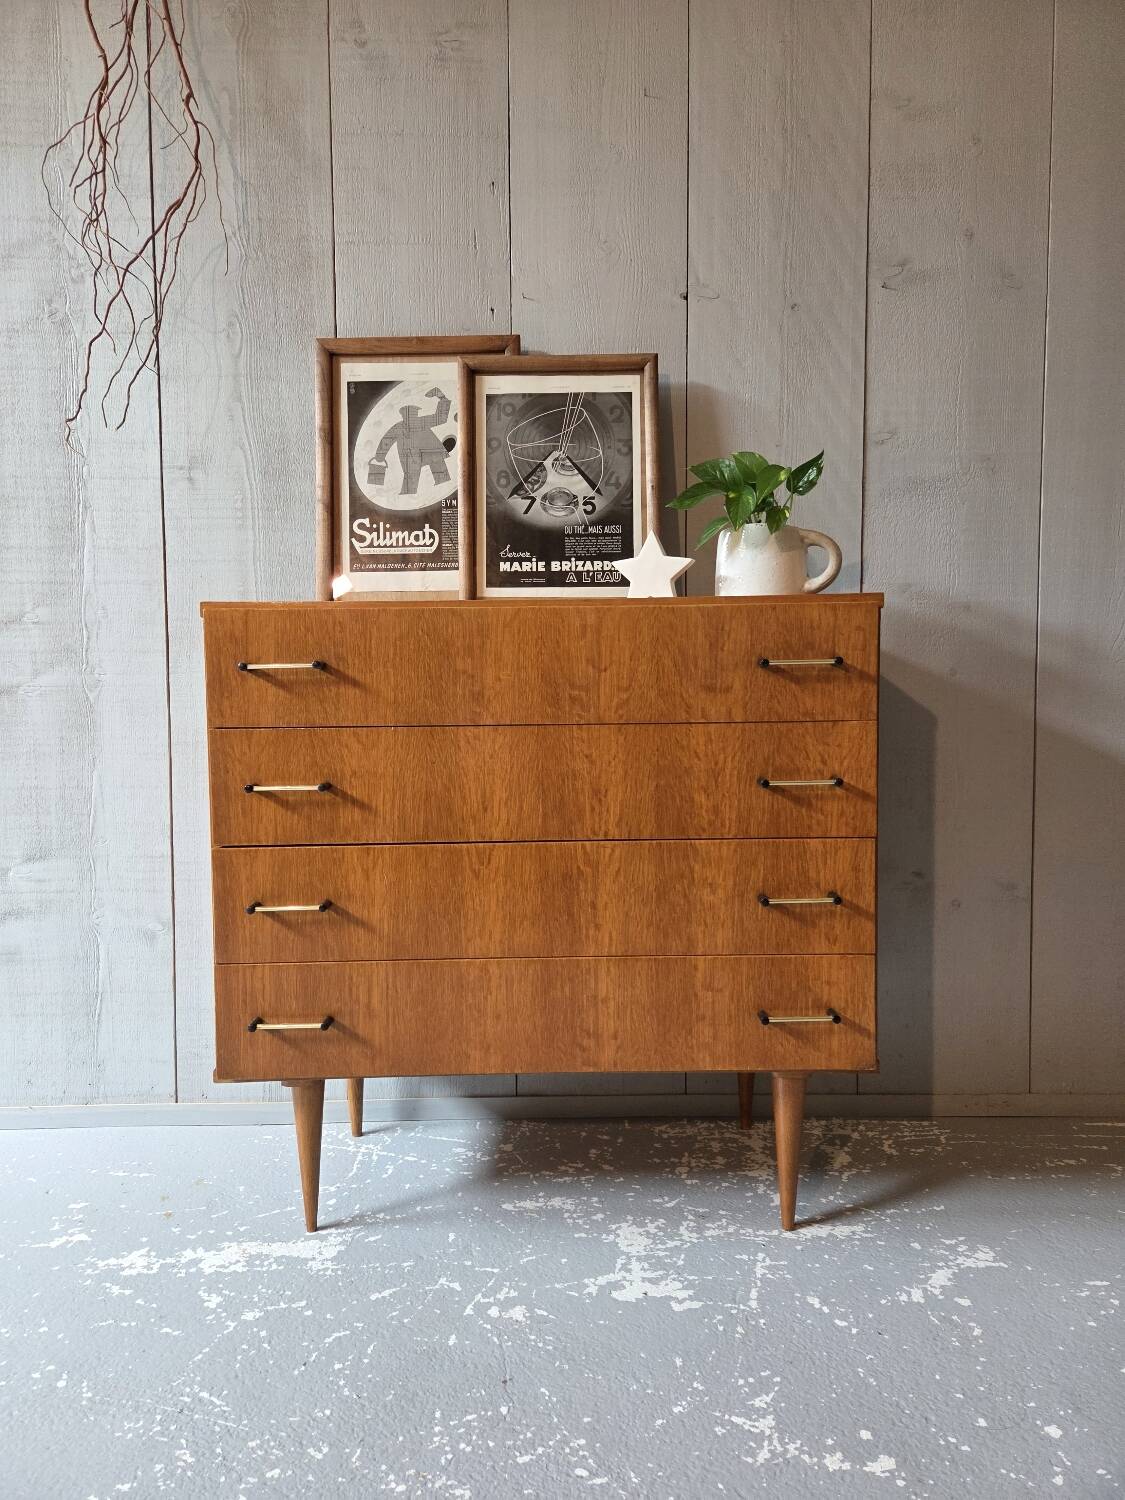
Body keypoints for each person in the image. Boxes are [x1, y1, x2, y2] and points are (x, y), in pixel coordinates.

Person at [368, 387, 452, 495]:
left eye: (413, 413)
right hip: (417, 456)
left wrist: (442, 397)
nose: (412, 416)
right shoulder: (409, 424)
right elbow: (386, 440)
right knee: (412, 485)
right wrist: (442, 397)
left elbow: (386, 440)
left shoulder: (416, 422)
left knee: (440, 479)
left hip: (425, 454)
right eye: (411, 413)